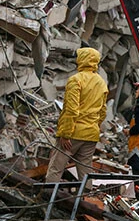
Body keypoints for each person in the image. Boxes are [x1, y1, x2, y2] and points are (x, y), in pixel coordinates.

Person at [46, 47, 109, 185]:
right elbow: (102, 111)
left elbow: (71, 109)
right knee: (85, 172)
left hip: (74, 133)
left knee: (56, 168)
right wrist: (93, 127)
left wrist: (65, 134)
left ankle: (48, 199)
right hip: (91, 134)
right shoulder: (101, 83)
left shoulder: (76, 80)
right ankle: (84, 200)